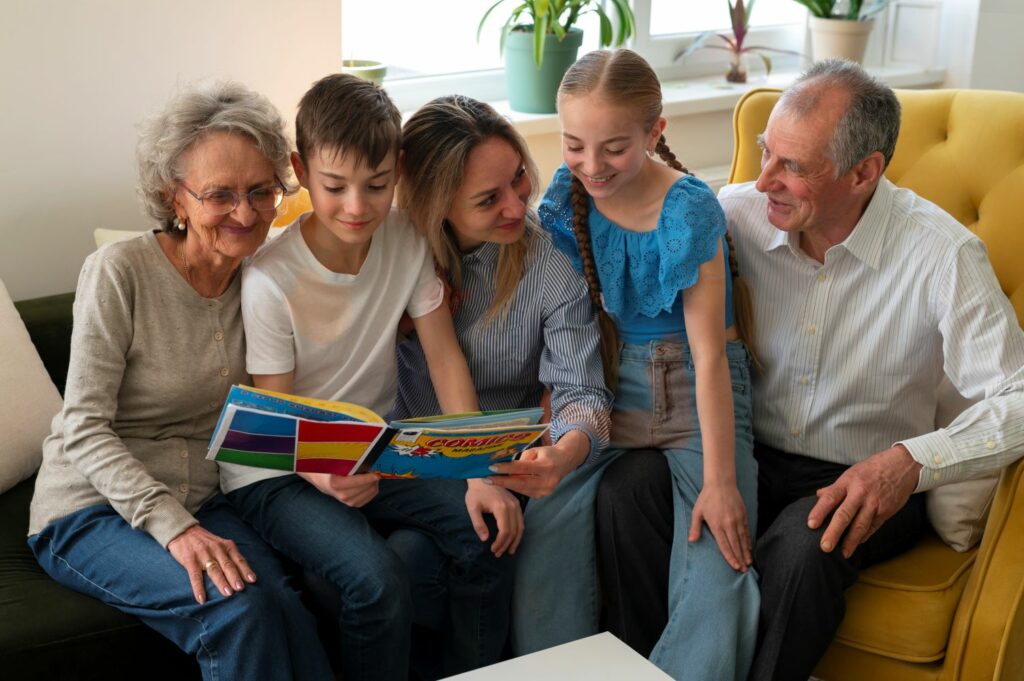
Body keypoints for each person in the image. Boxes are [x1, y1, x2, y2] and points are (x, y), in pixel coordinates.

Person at [595, 59, 1024, 681]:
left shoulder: (943, 254)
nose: (762, 179)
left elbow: (1017, 394)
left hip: (864, 475)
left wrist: (908, 462)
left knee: (807, 540)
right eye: (766, 153)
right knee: (627, 487)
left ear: (864, 172)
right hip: (743, 454)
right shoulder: (729, 216)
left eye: (793, 167)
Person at [219, 74, 522, 681]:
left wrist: (476, 469)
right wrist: (326, 475)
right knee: (376, 580)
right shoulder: (269, 280)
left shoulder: (406, 240)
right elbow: (277, 422)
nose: (357, 207)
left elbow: (444, 357)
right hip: (279, 469)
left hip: (375, 448)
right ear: (302, 171)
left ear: (399, 170)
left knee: (487, 531)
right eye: (335, 187)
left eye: (377, 186)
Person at [26, 82, 334, 680]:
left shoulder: (266, 276)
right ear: (176, 197)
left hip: (205, 497)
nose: (246, 214)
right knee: (235, 608)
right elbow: (83, 425)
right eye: (219, 195)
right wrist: (177, 529)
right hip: (92, 510)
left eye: (261, 191)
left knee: (293, 608)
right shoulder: (120, 272)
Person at [530, 48, 760, 681]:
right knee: (542, 536)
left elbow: (711, 356)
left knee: (722, 565)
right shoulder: (565, 194)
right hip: (609, 385)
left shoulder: (688, 207)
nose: (592, 166)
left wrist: (720, 483)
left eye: (614, 148)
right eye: (575, 145)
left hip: (699, 391)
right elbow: (561, 316)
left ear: (655, 133)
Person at [390, 95, 613, 673]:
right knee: (406, 560)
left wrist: (565, 452)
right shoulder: (390, 258)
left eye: (519, 179)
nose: (518, 205)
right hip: (396, 467)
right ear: (438, 205)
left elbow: (582, 393)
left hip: (498, 467)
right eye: (489, 199)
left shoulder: (547, 263)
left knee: (439, 553)